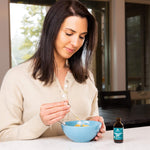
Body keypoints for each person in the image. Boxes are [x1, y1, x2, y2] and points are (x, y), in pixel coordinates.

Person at [0, 0, 105, 141]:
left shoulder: (86, 77)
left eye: (81, 36)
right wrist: (39, 122)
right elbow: (4, 135)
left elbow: (91, 118)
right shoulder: (17, 77)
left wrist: (94, 126)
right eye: (69, 33)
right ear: (51, 29)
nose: (75, 43)